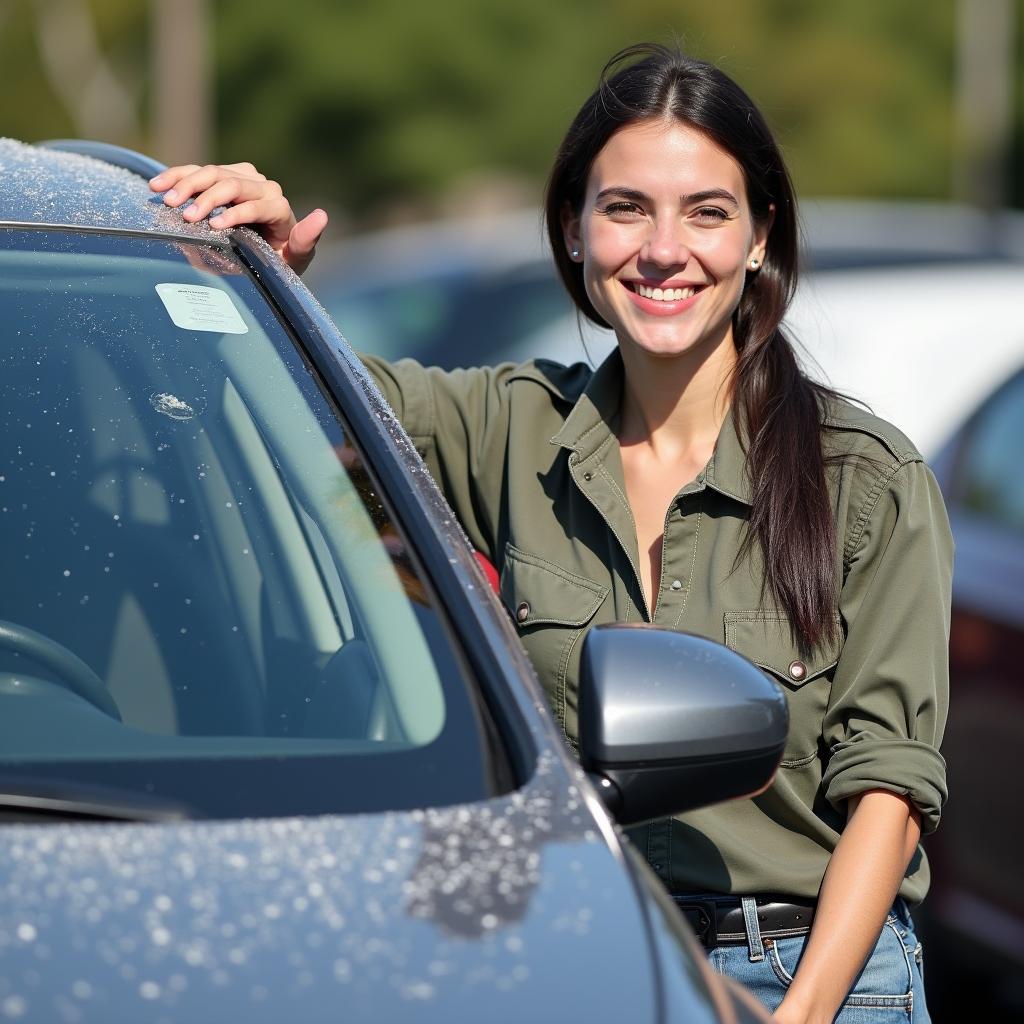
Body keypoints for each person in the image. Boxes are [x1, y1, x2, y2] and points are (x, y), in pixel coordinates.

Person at [149, 43, 950, 1022]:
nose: (664, 250)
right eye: (624, 209)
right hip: (584, 954)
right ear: (571, 230)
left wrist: (798, 1014)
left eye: (706, 211)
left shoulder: (866, 474)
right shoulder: (503, 427)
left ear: (757, 236)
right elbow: (298, 392)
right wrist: (264, 269)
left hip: (809, 970)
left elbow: (892, 793)